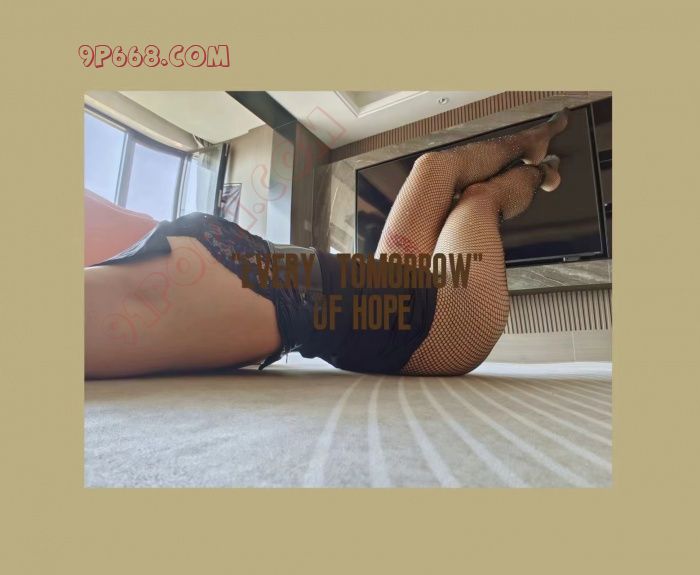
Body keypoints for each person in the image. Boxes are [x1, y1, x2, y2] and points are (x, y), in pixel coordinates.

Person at [84, 109, 569, 379]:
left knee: (432, 168)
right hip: (439, 324)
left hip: (385, 279)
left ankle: (532, 144)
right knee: (477, 201)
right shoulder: (120, 302)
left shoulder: (139, 246)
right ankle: (539, 176)